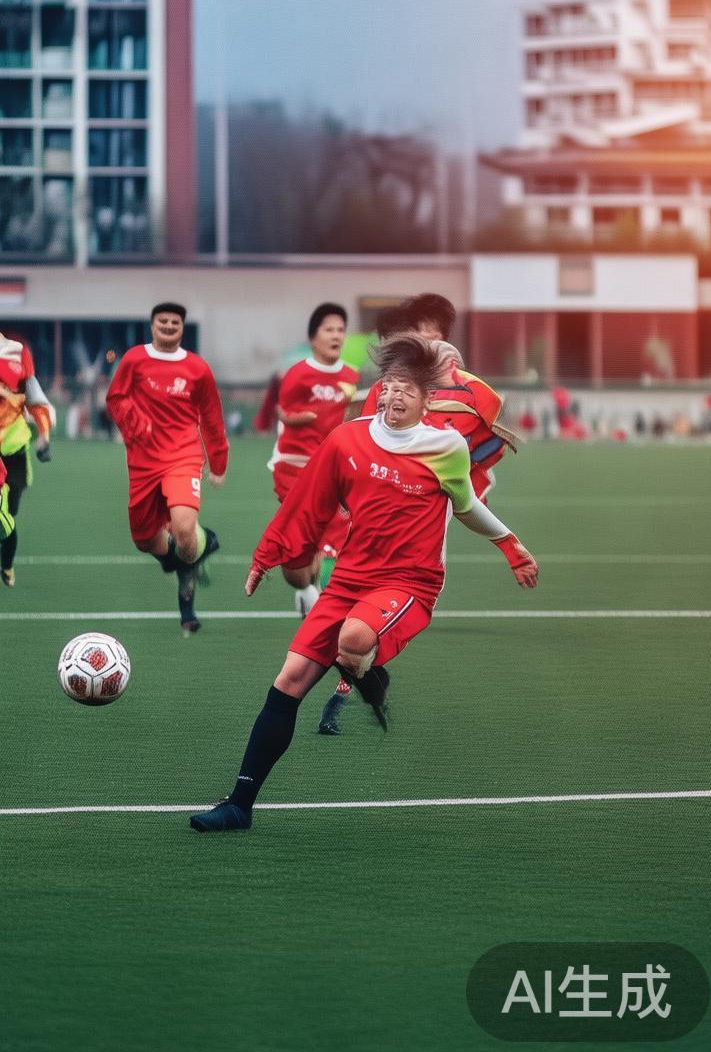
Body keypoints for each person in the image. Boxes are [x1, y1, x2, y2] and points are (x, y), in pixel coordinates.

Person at [190, 335, 538, 833]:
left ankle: (362, 666)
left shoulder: (446, 447)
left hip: (410, 582)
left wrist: (510, 545)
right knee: (289, 681)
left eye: (407, 390)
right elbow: (307, 504)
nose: (394, 397)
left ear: (427, 399)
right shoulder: (347, 439)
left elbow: (466, 506)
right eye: (388, 386)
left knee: (352, 638)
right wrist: (267, 556)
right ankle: (239, 805)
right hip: (350, 579)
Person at [319, 292, 512, 733]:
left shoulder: (472, 392)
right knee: (346, 600)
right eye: (416, 333)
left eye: (431, 333)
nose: (425, 341)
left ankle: (345, 688)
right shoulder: (385, 391)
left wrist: (458, 480)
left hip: (425, 508)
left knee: (375, 600)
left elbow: (484, 445)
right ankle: (363, 671)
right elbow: (362, 440)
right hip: (377, 501)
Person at [106, 303, 228, 635]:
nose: (169, 326)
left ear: (182, 328)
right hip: (143, 460)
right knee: (145, 539)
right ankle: (189, 560)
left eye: (176, 322)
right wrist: (137, 423)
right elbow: (115, 399)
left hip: (182, 455)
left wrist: (218, 461)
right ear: (153, 325)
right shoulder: (134, 359)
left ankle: (196, 549)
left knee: (184, 530)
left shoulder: (197, 368)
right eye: (163, 321)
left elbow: (212, 416)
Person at [268, 303, 359, 616]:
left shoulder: (350, 376)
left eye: (340, 330)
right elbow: (282, 412)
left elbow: (350, 419)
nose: (336, 336)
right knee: (299, 567)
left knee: (333, 533)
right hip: (293, 467)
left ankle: (324, 603)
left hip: (331, 469)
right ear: (313, 337)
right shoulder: (298, 374)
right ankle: (305, 587)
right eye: (328, 329)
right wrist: (299, 418)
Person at [0, 332, 55, 589]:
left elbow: (35, 399)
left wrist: (44, 436)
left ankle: (7, 560)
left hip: (14, 450)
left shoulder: (18, 352)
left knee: (9, 515)